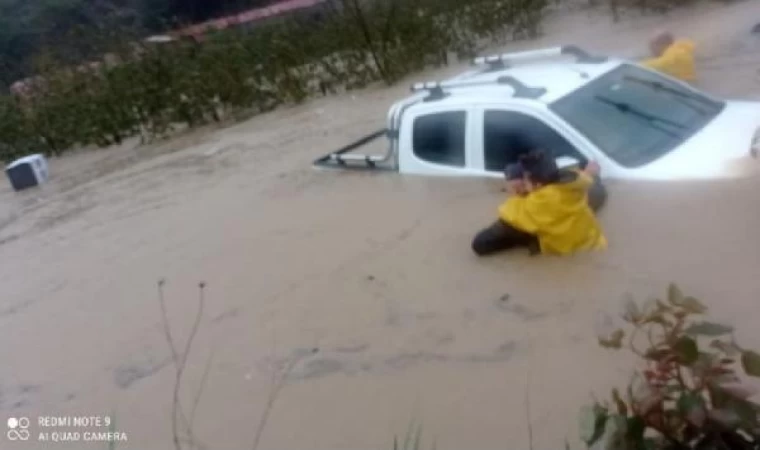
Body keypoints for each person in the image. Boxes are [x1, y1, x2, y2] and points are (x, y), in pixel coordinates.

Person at [471, 151, 607, 256]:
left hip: (564, 260)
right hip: (595, 246)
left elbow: (480, 243)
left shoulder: (539, 204)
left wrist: (516, 195)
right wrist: (591, 173)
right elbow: (596, 187)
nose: (524, 185)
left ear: (537, 184)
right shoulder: (576, 186)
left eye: (526, 182)